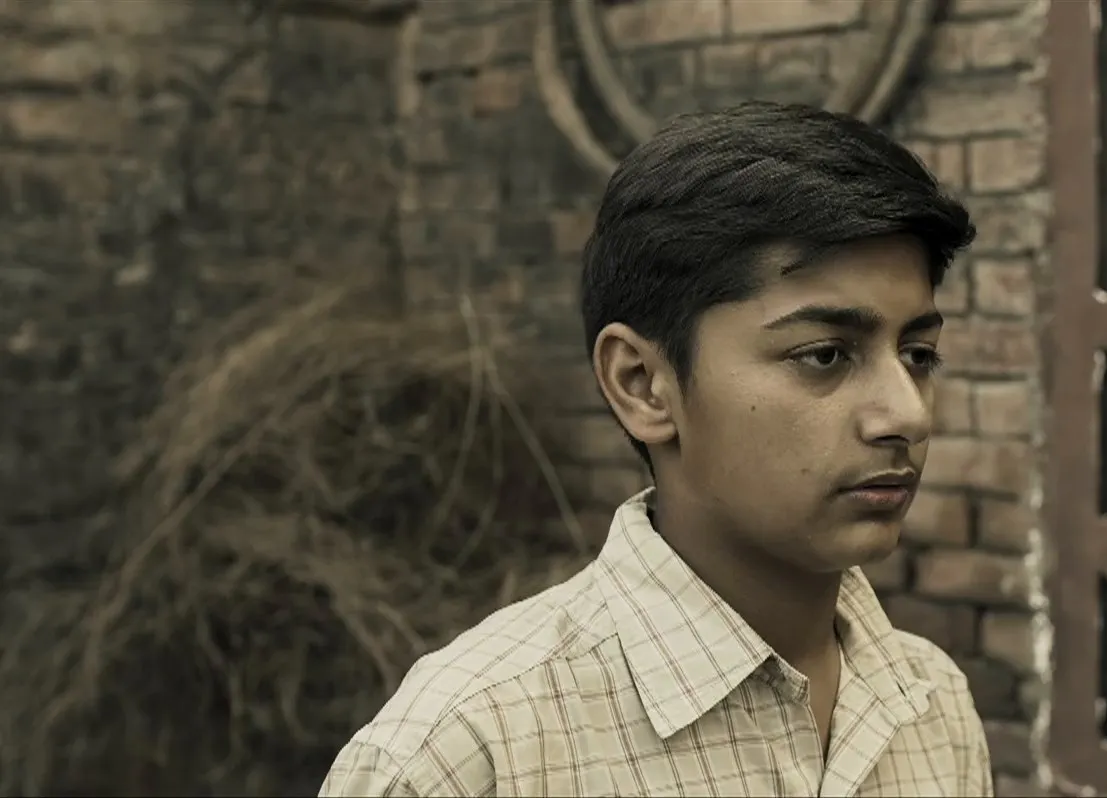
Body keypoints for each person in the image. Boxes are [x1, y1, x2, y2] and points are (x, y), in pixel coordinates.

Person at [319, 101, 990, 797]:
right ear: (642, 384)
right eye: (824, 355)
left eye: (918, 354)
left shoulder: (933, 705)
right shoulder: (468, 754)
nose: (907, 414)